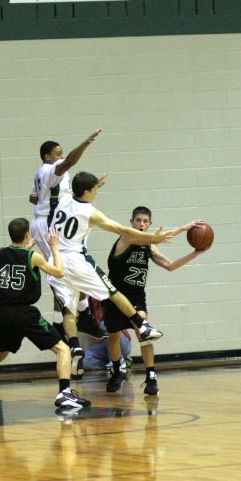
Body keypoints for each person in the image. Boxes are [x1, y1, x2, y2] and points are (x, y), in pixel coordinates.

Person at [47, 172, 182, 382]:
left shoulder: (64, 199)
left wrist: (93, 183)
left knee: (68, 310)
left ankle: (74, 346)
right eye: (95, 189)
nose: (97, 192)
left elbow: (77, 192)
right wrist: (154, 237)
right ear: (86, 192)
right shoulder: (90, 212)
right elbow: (121, 229)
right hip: (76, 260)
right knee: (112, 291)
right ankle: (142, 324)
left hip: (56, 261)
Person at [0, 219, 90, 410]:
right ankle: (64, 394)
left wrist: (22, 250)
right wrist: (54, 247)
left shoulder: (0, 253)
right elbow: (59, 272)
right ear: (27, 234)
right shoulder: (33, 256)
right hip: (23, 312)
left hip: (3, 312)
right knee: (63, 350)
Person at [102, 207, 206, 395]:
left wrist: (196, 253)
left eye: (145, 221)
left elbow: (170, 265)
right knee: (115, 336)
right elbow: (155, 238)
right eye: (138, 220)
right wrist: (182, 229)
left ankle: (151, 376)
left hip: (135, 296)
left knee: (143, 333)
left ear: (149, 224)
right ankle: (117, 370)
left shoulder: (149, 245)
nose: (141, 224)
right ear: (131, 222)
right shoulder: (126, 238)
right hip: (115, 295)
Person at [28, 130, 103, 377]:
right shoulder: (52, 169)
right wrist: (85, 143)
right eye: (57, 154)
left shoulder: (41, 174)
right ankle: (80, 313)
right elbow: (70, 162)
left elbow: (33, 197)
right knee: (67, 265)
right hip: (47, 222)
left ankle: (69, 318)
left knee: (62, 269)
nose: (62, 157)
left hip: (42, 220)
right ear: (47, 156)